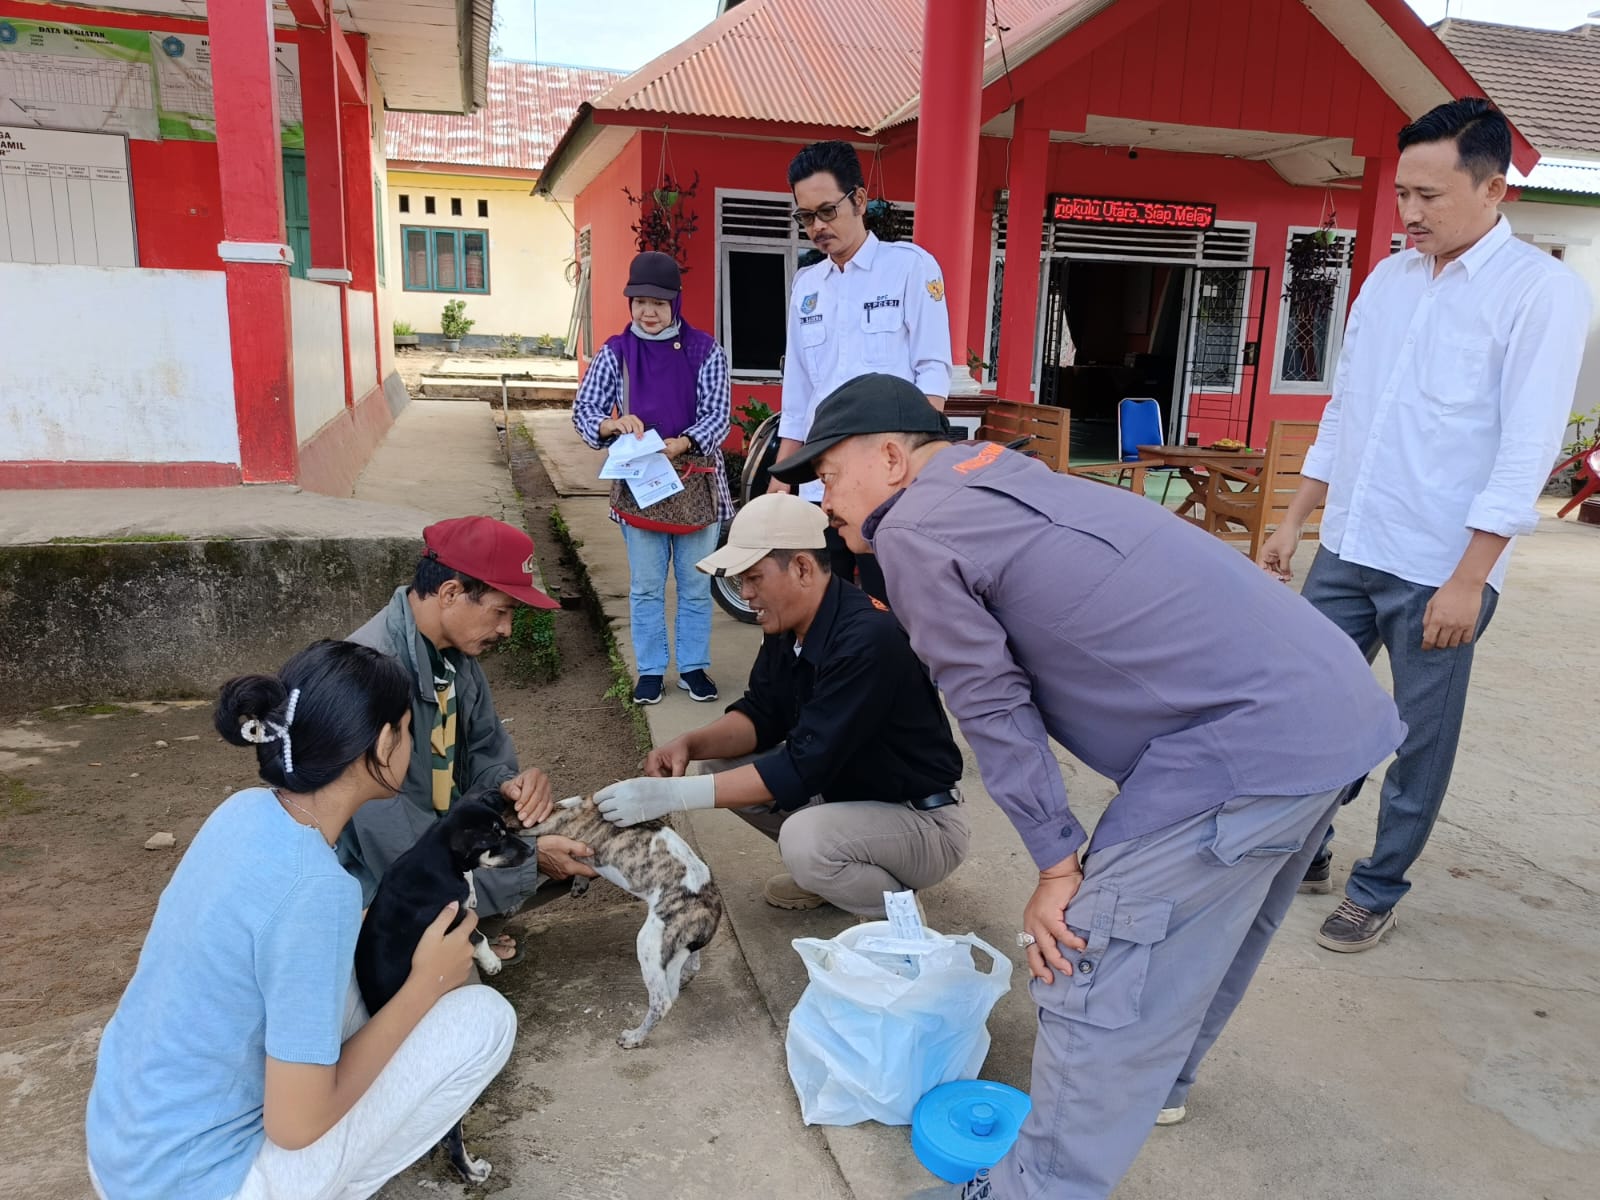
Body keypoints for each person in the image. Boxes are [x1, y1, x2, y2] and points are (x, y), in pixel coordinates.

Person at [771, 374, 1405, 1199]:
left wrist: (1057, 863)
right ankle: (1159, 1091)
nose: (824, 502)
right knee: (1212, 932)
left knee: (1090, 965)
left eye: (828, 478)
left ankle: (1036, 1188)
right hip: (1334, 713)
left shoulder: (915, 527)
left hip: (1237, 747)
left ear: (892, 457)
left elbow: (987, 698)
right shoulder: (1002, 473)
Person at [1260, 99, 1591, 953]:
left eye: (1430, 197)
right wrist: (1296, 517)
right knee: (1308, 711)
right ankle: (1313, 848)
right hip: (1349, 547)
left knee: (1417, 740)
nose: (1409, 213)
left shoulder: (1542, 295)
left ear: (1494, 191)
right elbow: (1348, 410)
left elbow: (1525, 449)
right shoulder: (1388, 279)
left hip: (1440, 565)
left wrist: (1471, 578)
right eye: (1403, 192)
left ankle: (1378, 886)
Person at [86, 640, 515, 1200]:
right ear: (385, 745)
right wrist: (427, 983)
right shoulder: (317, 890)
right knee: (484, 1019)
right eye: (409, 729)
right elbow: (296, 1128)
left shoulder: (240, 810)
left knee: (348, 974)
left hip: (126, 1153)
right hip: (202, 1183)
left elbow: (270, 936)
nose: (410, 741)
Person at [590, 493, 969, 918]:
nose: (746, 594)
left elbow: (802, 766)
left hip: (922, 822)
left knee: (804, 842)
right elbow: (763, 713)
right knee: (718, 764)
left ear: (803, 568)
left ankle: (893, 906)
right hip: (849, 797)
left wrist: (671, 795)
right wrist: (691, 743)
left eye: (753, 578)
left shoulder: (868, 640)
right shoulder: (789, 624)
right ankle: (837, 872)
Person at [337, 517, 598, 966]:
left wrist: (512, 786)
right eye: (501, 611)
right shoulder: (369, 678)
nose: (507, 630)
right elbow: (394, 852)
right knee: (478, 1013)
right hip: (377, 885)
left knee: (586, 832)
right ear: (452, 593)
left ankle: (465, 929)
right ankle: (446, 941)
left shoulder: (454, 655)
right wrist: (529, 861)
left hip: (441, 843)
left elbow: (486, 752)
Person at [768, 139, 952, 604]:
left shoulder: (909, 268)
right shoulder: (806, 286)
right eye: (806, 217)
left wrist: (912, 469)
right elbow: (799, 392)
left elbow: (933, 371)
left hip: (885, 487)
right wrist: (781, 477)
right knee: (818, 606)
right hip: (819, 483)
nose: (817, 227)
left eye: (827, 211)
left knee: (889, 609)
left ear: (859, 200)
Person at [573, 249, 733, 706]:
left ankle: (693, 667)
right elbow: (585, 409)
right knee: (645, 586)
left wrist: (682, 443)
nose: (648, 311)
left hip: (695, 483)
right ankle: (649, 670)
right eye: (640, 301)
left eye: (659, 303)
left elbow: (718, 416)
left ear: (676, 303)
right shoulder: (616, 352)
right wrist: (612, 424)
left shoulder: (705, 350)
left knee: (695, 584)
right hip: (640, 487)